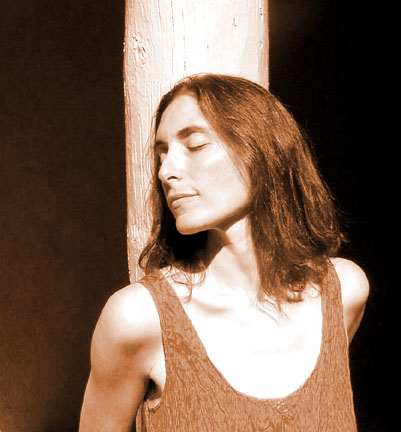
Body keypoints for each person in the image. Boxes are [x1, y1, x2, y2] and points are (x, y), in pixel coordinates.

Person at [79, 74, 369, 431]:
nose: (166, 171)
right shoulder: (139, 319)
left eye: (195, 145)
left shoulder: (341, 291)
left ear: (260, 150)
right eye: (161, 155)